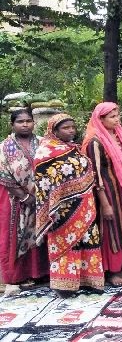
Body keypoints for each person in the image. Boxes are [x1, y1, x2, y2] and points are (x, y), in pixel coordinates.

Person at [33, 114, 104, 296]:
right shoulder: (45, 152)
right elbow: (44, 181)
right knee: (67, 243)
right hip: (62, 209)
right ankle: (65, 286)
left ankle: (89, 281)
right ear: (54, 130)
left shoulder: (73, 148)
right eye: (66, 128)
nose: (71, 130)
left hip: (85, 205)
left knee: (88, 239)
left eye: (73, 127)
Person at [83, 102, 122, 286]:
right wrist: (104, 203)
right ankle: (111, 271)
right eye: (112, 117)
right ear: (100, 119)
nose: (117, 119)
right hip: (108, 192)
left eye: (117, 115)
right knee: (112, 230)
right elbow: (94, 174)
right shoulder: (94, 141)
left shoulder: (120, 135)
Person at [0, 110, 48, 295]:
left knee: (39, 234)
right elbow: (3, 175)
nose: (25, 124)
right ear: (13, 124)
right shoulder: (5, 147)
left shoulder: (43, 143)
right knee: (13, 237)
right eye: (20, 121)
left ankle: (39, 273)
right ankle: (15, 277)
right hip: (15, 200)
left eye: (29, 121)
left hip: (42, 199)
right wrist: (26, 197)